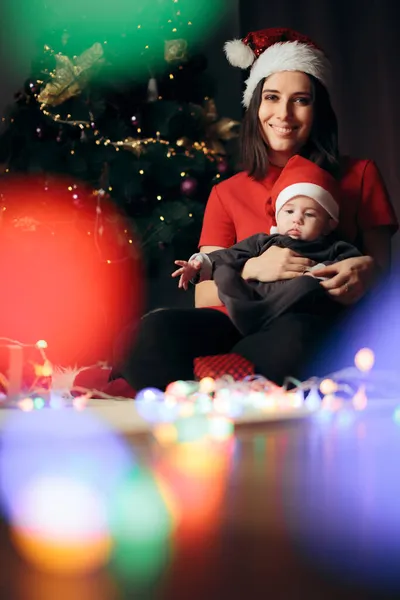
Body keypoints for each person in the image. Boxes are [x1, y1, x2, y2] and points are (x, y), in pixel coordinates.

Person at [111, 27, 398, 391]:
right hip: (235, 321)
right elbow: (204, 294)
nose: (284, 113)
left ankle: (224, 379)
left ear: (318, 109)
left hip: (306, 321)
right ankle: (237, 376)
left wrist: (368, 271)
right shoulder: (227, 192)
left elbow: (386, 284)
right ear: (256, 105)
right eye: (272, 97)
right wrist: (253, 269)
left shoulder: (359, 175)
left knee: (297, 340)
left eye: (301, 100)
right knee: (149, 335)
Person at [171, 155, 362, 337]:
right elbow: (229, 255)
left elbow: (350, 267)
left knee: (308, 284)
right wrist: (198, 265)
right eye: (289, 211)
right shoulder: (265, 241)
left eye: (310, 214)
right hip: (254, 299)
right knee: (224, 274)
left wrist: (321, 271)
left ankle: (262, 316)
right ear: (277, 216)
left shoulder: (331, 246)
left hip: (298, 309)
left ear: (329, 225)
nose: (297, 219)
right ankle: (252, 312)